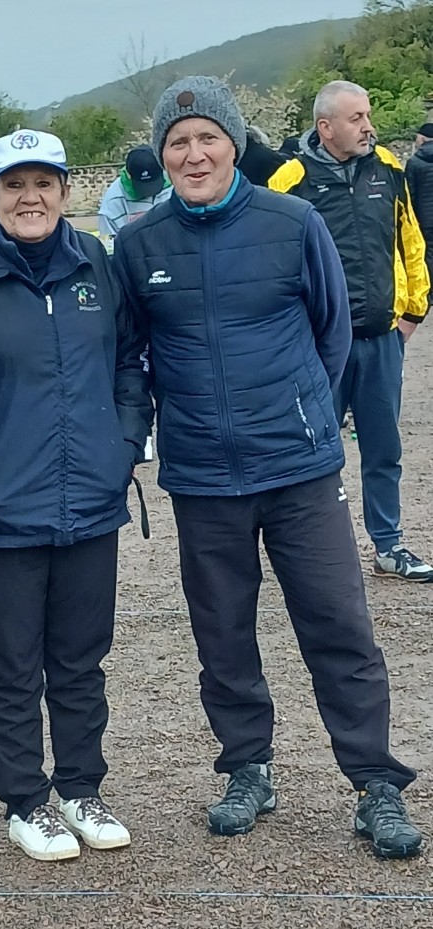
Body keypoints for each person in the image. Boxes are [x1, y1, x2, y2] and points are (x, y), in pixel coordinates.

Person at [113, 76, 421, 859]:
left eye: (206, 138)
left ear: (232, 144)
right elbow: (131, 353)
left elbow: (329, 332)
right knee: (222, 634)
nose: (192, 154)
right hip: (202, 478)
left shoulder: (292, 222)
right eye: (176, 142)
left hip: (298, 469)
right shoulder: (140, 245)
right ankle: (246, 767)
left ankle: (373, 780)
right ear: (162, 154)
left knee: (339, 625)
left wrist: (300, 412)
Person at [0, 129, 152, 862]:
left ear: (65, 190)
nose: (29, 198)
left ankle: (81, 787)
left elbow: (128, 360)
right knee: (10, 664)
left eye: (43, 184)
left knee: (81, 658)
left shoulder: (97, 261)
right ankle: (26, 801)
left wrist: (123, 443)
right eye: (13, 185)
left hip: (89, 499)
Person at [270, 81, 432, 582]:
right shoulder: (290, 180)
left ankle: (389, 545)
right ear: (326, 127)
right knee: (313, 451)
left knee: (384, 449)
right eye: (357, 118)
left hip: (383, 341)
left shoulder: (388, 168)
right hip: (320, 348)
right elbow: (272, 263)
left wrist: (412, 313)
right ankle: (315, 554)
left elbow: (410, 241)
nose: (369, 127)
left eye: (367, 115)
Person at [97, 144, 171, 238]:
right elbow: (108, 244)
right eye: (143, 186)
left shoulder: (175, 187)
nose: (148, 193)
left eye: (152, 183)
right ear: (129, 176)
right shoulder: (111, 204)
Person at [405, 123, 433, 286]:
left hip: (425, 219)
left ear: (422, 138)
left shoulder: (414, 162)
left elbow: (410, 193)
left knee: (428, 253)